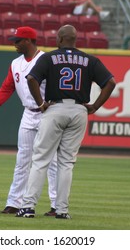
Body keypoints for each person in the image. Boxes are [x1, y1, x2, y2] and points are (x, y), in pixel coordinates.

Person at [16, 25, 116, 219]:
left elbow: (31, 79)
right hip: (79, 110)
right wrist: (95, 106)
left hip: (55, 108)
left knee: (40, 159)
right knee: (66, 163)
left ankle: (28, 207)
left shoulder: (49, 57)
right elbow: (110, 82)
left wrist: (41, 103)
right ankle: (62, 210)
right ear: (75, 39)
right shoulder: (90, 59)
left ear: (60, 39)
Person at [0, 27, 58, 216]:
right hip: (28, 114)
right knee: (22, 160)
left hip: (48, 113)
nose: (14, 44)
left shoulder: (46, 59)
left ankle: (56, 205)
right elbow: (6, 89)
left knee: (52, 161)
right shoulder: (15, 63)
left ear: (28, 41)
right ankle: (14, 202)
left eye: (18, 40)